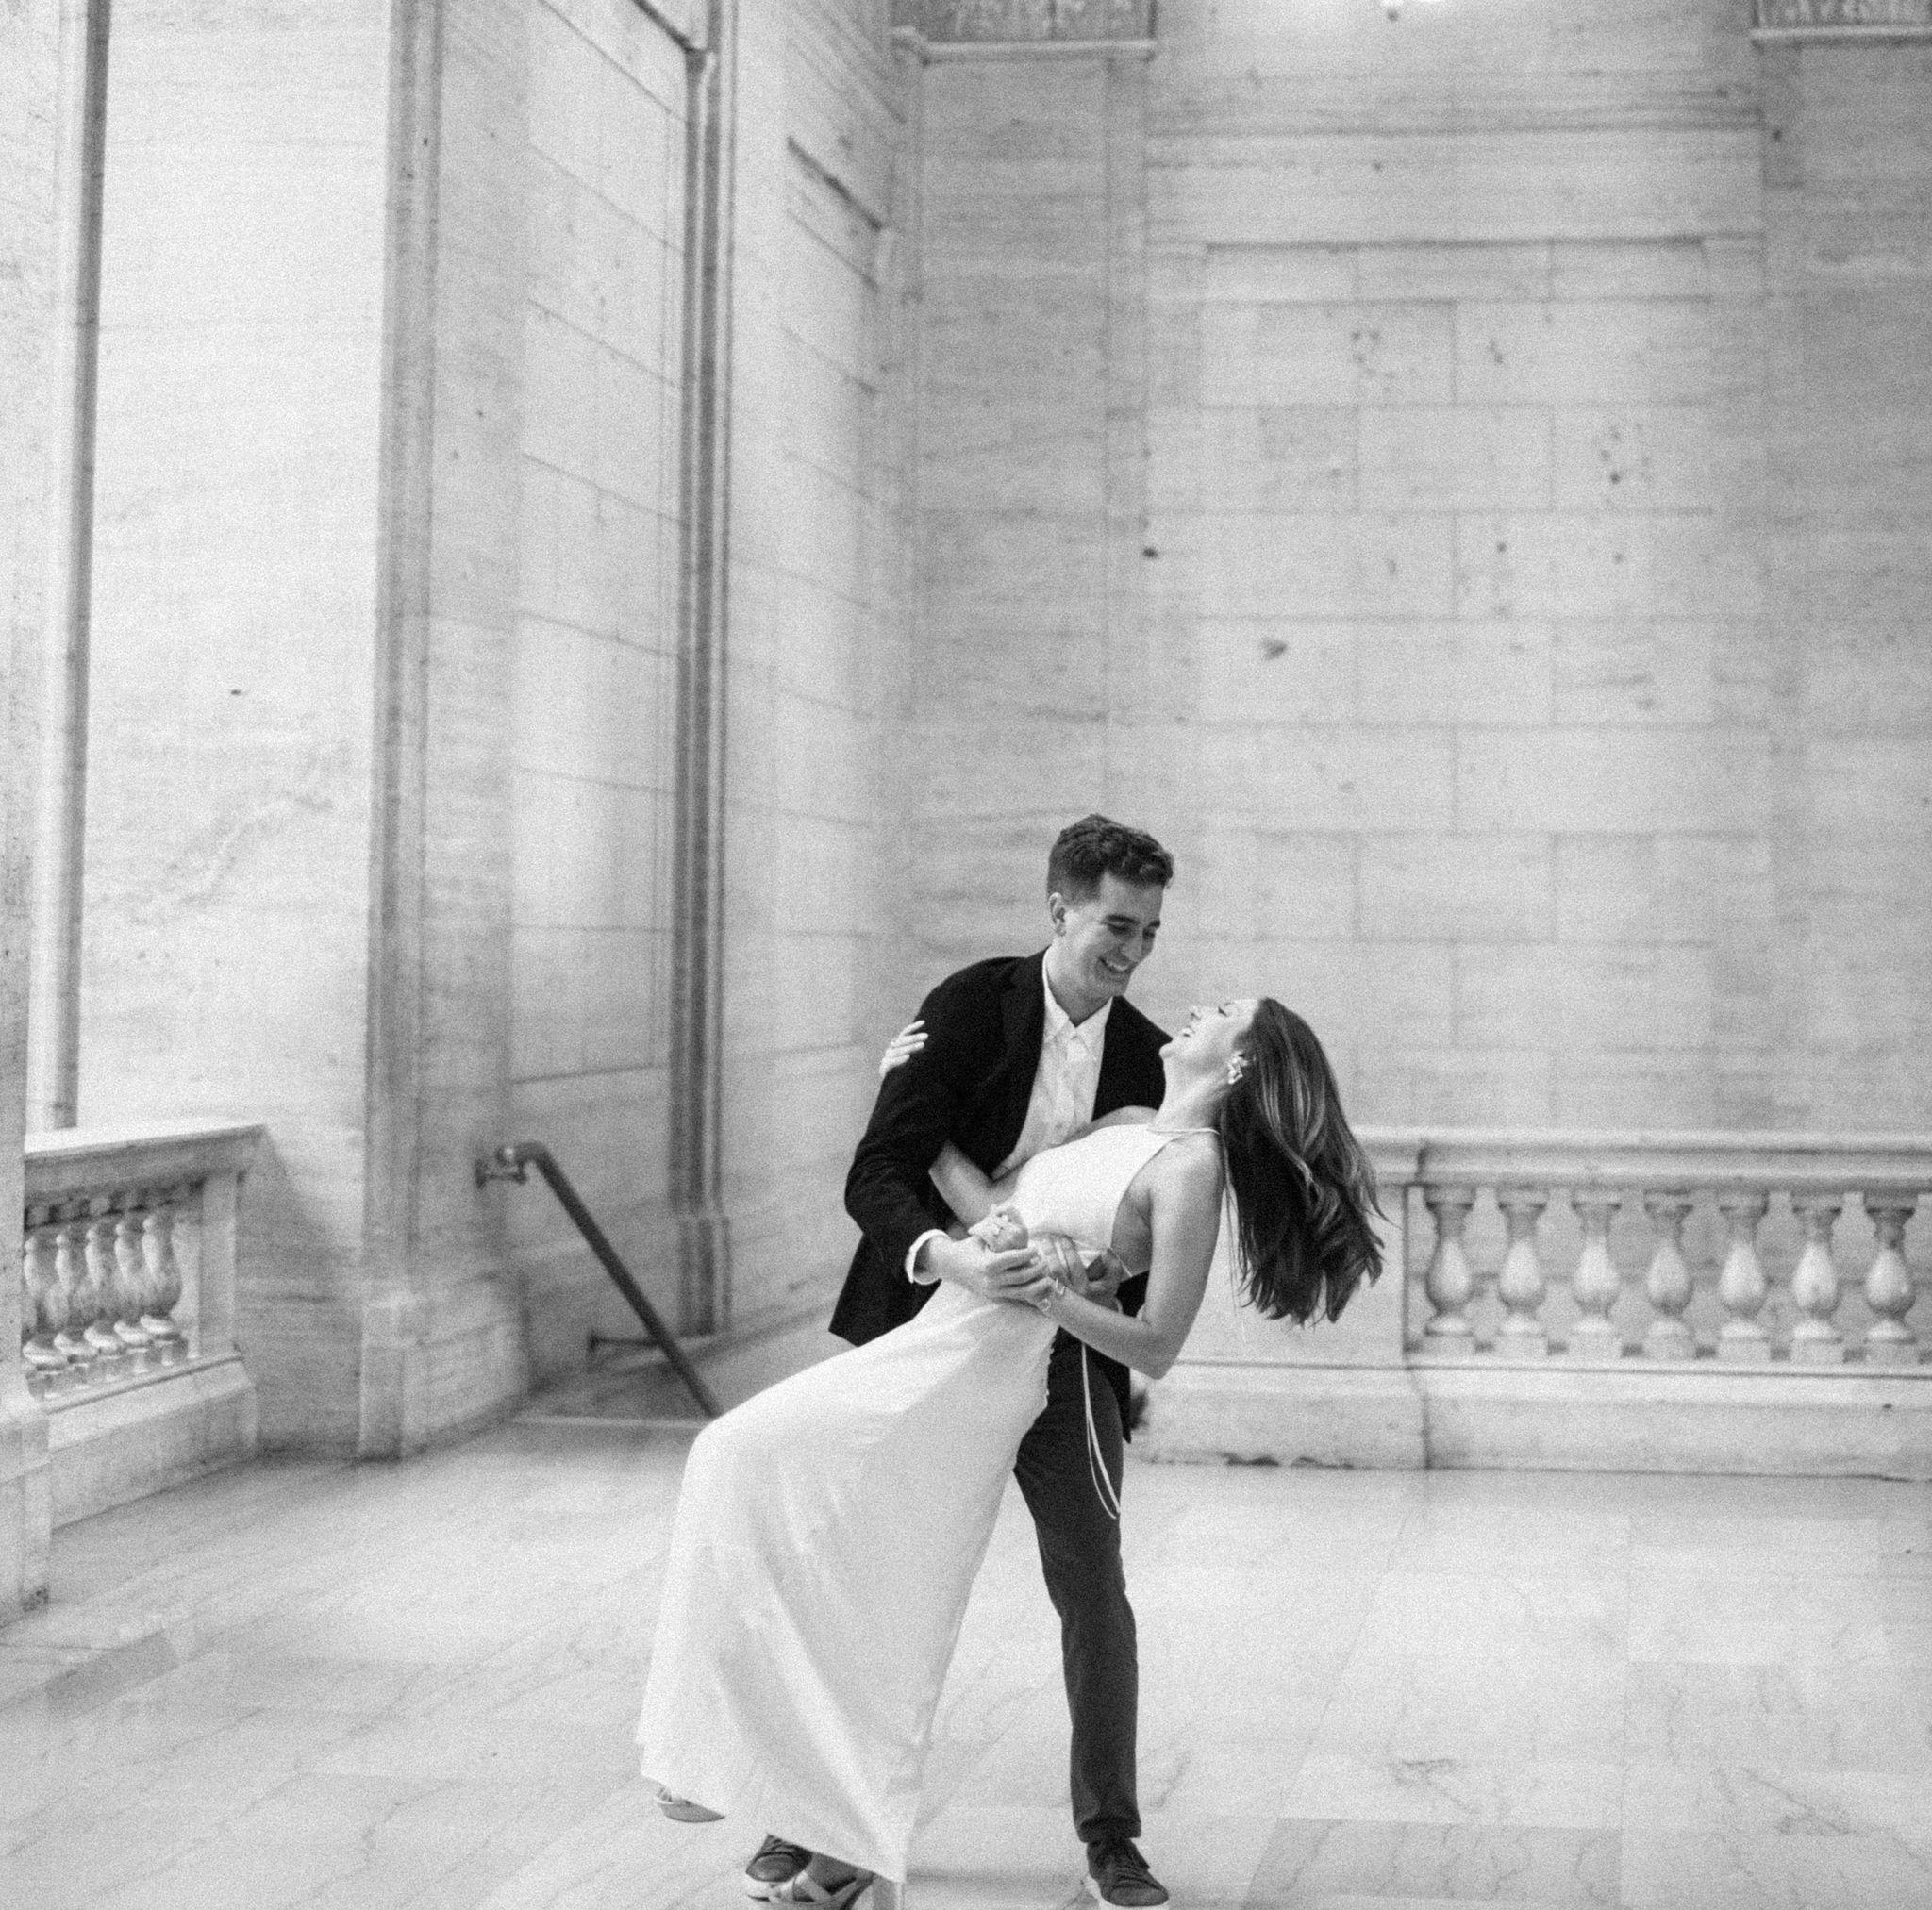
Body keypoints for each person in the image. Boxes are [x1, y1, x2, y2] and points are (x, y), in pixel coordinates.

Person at [636, 973, 1383, 1908]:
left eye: (1225, 1015)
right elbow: (992, 1197)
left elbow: (1157, 1341)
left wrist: (1053, 1294)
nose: (1199, 1007)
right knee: (746, 1465)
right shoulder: (1125, 1121)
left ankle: (1108, 1840)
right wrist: (906, 1098)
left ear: (1237, 1064)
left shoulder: (1192, 1169)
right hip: (940, 1342)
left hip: (1038, 1370)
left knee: (1084, 1590)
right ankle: (756, 1780)